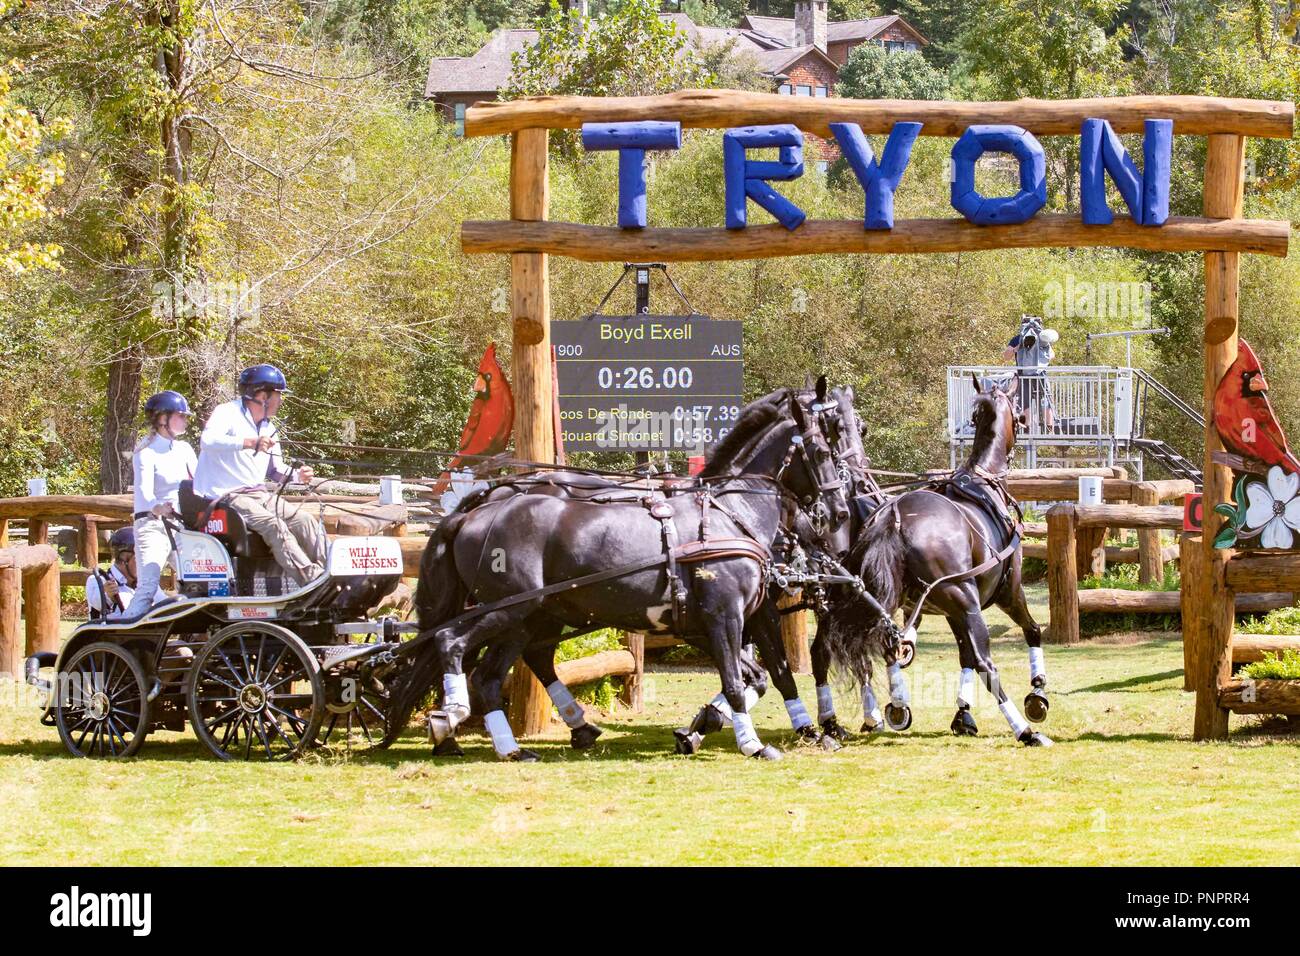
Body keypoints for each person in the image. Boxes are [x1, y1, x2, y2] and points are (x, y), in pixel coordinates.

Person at [192, 364, 323, 587]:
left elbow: (275, 470)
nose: (281, 401)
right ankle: (311, 581)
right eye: (278, 395)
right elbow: (208, 441)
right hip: (228, 497)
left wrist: (298, 476)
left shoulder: (268, 427)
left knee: (305, 521)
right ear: (262, 396)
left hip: (260, 494)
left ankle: (328, 573)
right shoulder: (227, 412)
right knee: (276, 526)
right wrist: (249, 442)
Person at [120, 390, 198, 618]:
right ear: (163, 418)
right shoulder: (146, 451)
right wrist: (157, 506)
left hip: (182, 527)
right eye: (181, 415)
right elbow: (143, 491)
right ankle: (120, 637)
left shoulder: (184, 449)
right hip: (152, 526)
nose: (186, 420)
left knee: (201, 581)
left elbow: (199, 482)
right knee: (148, 587)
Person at [1002, 315, 1057, 431]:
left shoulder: (1042, 339)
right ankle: (1028, 427)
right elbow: (1006, 356)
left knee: (1045, 399)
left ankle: (1049, 427)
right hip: (1024, 375)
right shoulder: (1018, 339)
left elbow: (1051, 355)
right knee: (1026, 400)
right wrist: (1017, 347)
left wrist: (1041, 348)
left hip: (1039, 375)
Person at [85, 528, 140, 619]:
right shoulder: (98, 580)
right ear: (124, 558)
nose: (144, 563)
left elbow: (161, 602)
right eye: (139, 558)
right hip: (110, 632)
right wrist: (108, 596)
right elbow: (97, 603)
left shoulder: (145, 583)